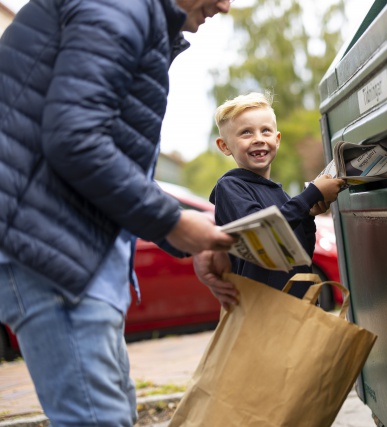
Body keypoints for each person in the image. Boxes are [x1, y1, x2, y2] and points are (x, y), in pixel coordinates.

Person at [0, 0, 236, 425]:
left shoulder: (131, 14)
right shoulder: (119, 6)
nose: (225, 4)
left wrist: (184, 235)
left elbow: (107, 155)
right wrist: (173, 223)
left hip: (63, 248)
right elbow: (74, 139)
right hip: (50, 249)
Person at [209, 92, 345, 300]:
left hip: (297, 309)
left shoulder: (280, 194)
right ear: (225, 146)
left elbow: (302, 258)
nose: (258, 139)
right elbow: (262, 236)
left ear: (277, 139)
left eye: (266, 131)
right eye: (246, 132)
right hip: (264, 313)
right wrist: (312, 194)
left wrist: (308, 215)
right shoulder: (230, 188)